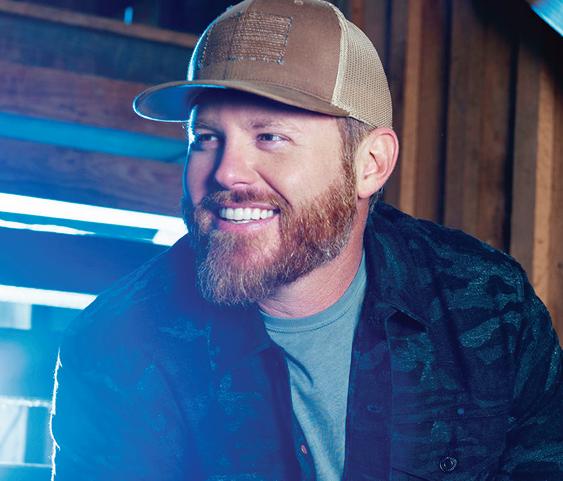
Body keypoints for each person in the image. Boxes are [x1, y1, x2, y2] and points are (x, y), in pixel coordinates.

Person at [49, 0, 563, 480]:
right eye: (206, 138)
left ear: (370, 165)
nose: (226, 172)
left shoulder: (490, 305)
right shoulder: (116, 347)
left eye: (269, 137)